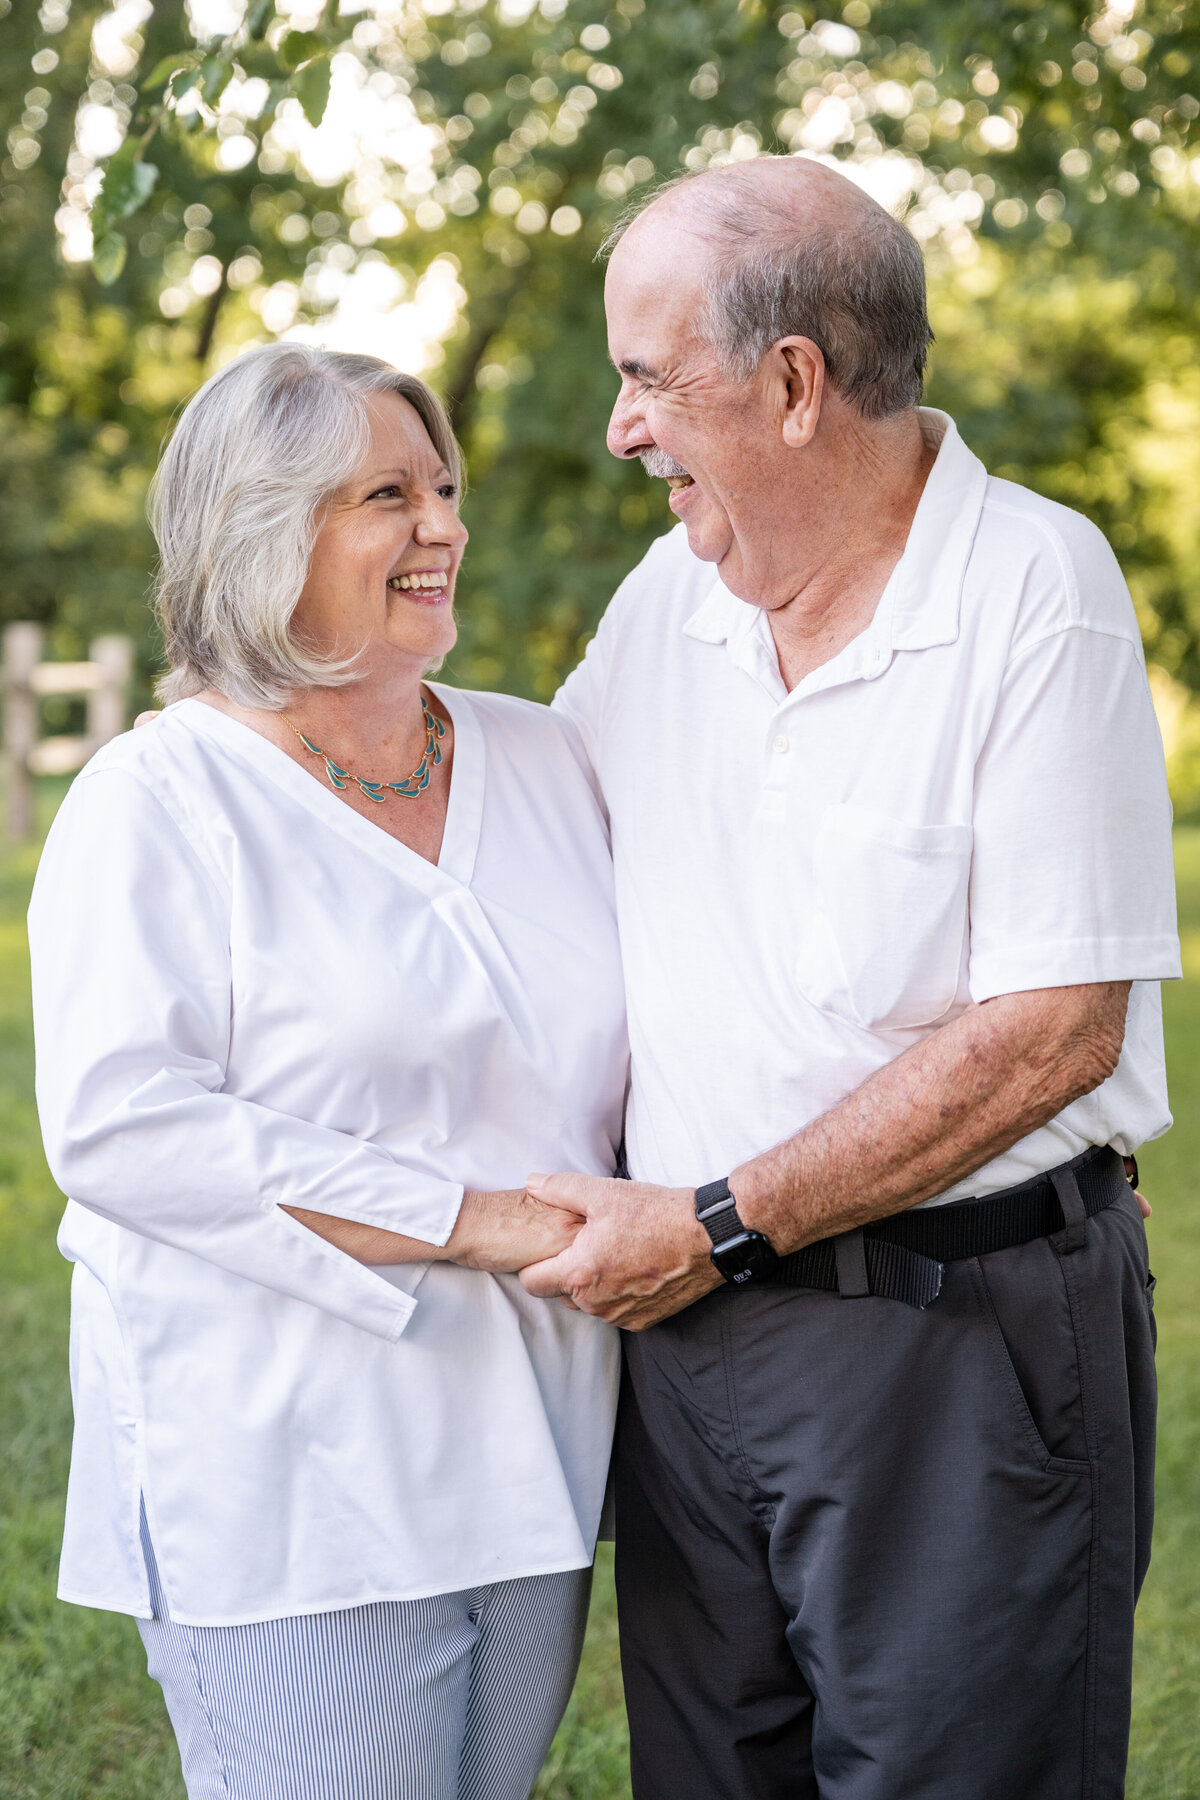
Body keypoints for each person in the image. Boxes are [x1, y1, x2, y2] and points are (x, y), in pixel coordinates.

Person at [523, 158, 1180, 1799]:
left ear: (794, 384)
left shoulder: (1037, 590)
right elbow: (528, 838)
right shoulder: (670, 598)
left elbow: (1052, 1031)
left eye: (647, 377)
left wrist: (719, 1219)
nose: (624, 430)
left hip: (956, 1348)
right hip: (692, 1352)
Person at [28, 343, 628, 1800]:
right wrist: (473, 1215)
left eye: (443, 488)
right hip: (292, 1470)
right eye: (386, 495)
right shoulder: (159, 798)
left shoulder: (547, 759)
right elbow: (124, 1129)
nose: (442, 527)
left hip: (535, 1439)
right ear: (263, 535)